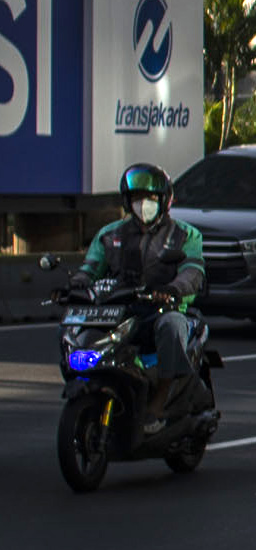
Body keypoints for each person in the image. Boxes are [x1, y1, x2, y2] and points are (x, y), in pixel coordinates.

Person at [81, 164, 206, 387]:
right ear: (127, 201)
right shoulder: (109, 235)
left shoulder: (185, 234)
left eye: (150, 197)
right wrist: (75, 285)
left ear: (164, 200)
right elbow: (89, 269)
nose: (143, 204)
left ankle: (163, 394)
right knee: (76, 330)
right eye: (137, 197)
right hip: (119, 309)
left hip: (163, 308)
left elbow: (193, 272)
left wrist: (172, 289)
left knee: (171, 327)